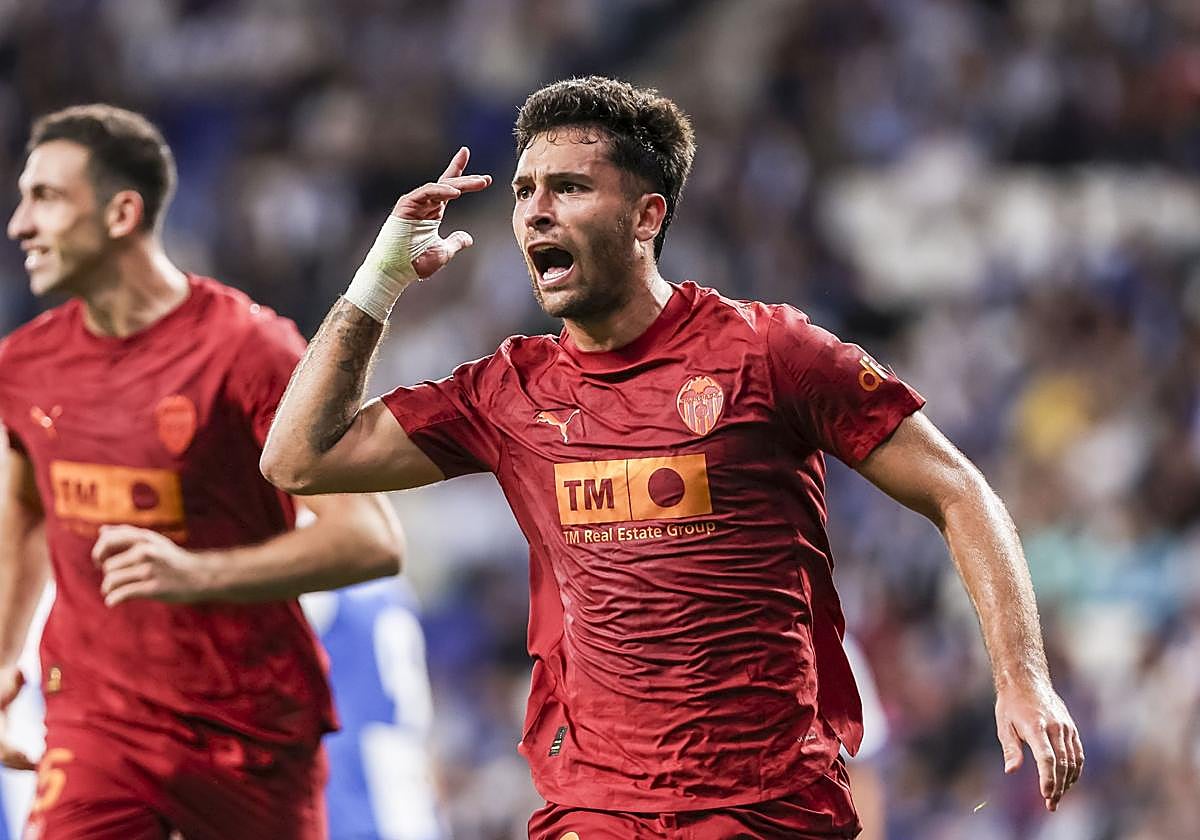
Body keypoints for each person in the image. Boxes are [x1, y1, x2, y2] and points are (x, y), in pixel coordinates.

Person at [261, 76, 1084, 839]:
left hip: (765, 807)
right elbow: (298, 460)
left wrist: (1022, 677)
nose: (535, 213)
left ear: (647, 217)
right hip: (593, 806)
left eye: (569, 188)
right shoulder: (507, 392)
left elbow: (957, 489)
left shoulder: (770, 354)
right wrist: (379, 280)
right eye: (523, 192)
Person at [0, 104, 406, 840]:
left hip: (248, 726)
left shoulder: (249, 350)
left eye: (47, 199)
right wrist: (2, 660)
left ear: (121, 212)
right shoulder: (24, 365)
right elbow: (27, 505)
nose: (19, 225)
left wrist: (194, 575)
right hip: (95, 723)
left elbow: (370, 540)